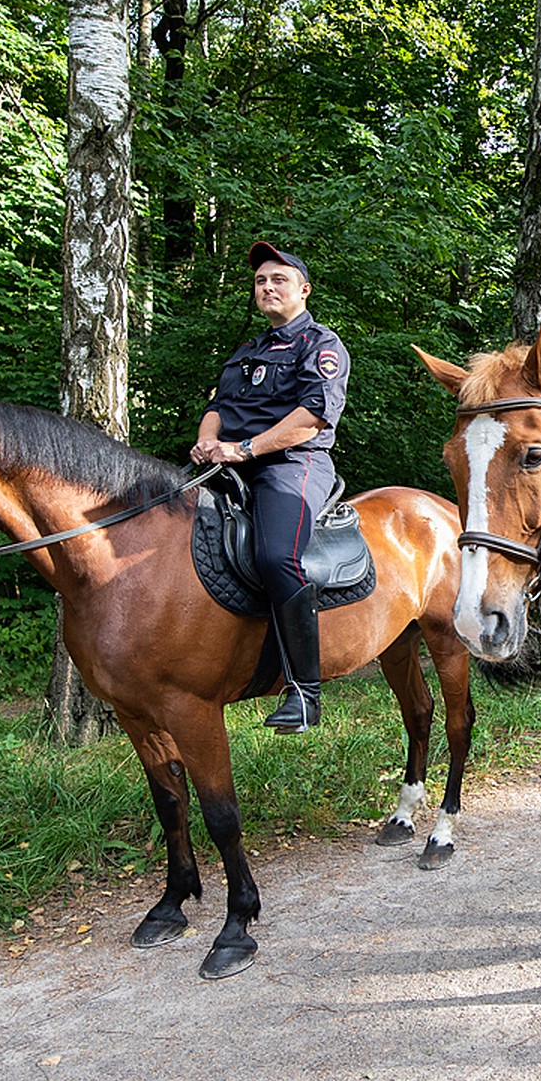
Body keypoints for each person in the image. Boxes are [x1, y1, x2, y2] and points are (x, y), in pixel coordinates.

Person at [191, 241, 351, 733]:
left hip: (292, 465)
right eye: (261, 281)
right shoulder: (248, 350)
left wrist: (245, 449)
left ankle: (305, 693)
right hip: (227, 464)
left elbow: (311, 419)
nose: (267, 287)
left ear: (303, 290)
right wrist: (206, 441)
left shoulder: (321, 345)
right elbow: (219, 407)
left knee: (277, 556)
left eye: (278, 280)